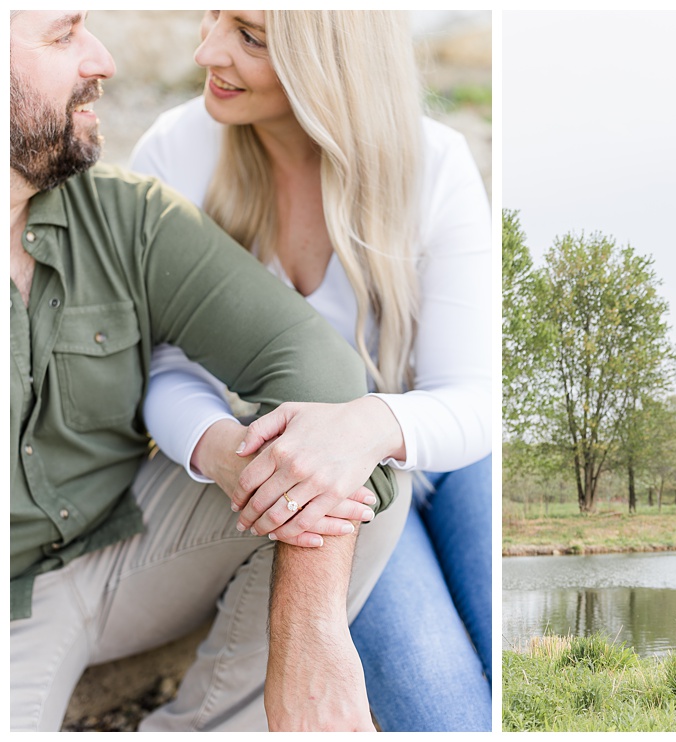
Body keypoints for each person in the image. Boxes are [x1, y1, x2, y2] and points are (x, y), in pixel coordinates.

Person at [9, 10, 409, 732]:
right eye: (64, 36)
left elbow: (311, 361)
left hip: (123, 542)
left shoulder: (124, 213)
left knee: (353, 468)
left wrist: (308, 633)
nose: (102, 60)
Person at [128, 10, 493, 731]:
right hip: (329, 491)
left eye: (249, 38)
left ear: (335, 60)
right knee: (444, 712)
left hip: (444, 449)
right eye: (214, 20)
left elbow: (475, 397)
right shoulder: (177, 150)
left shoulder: (436, 164)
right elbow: (158, 361)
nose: (207, 52)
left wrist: (364, 424)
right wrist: (216, 447)